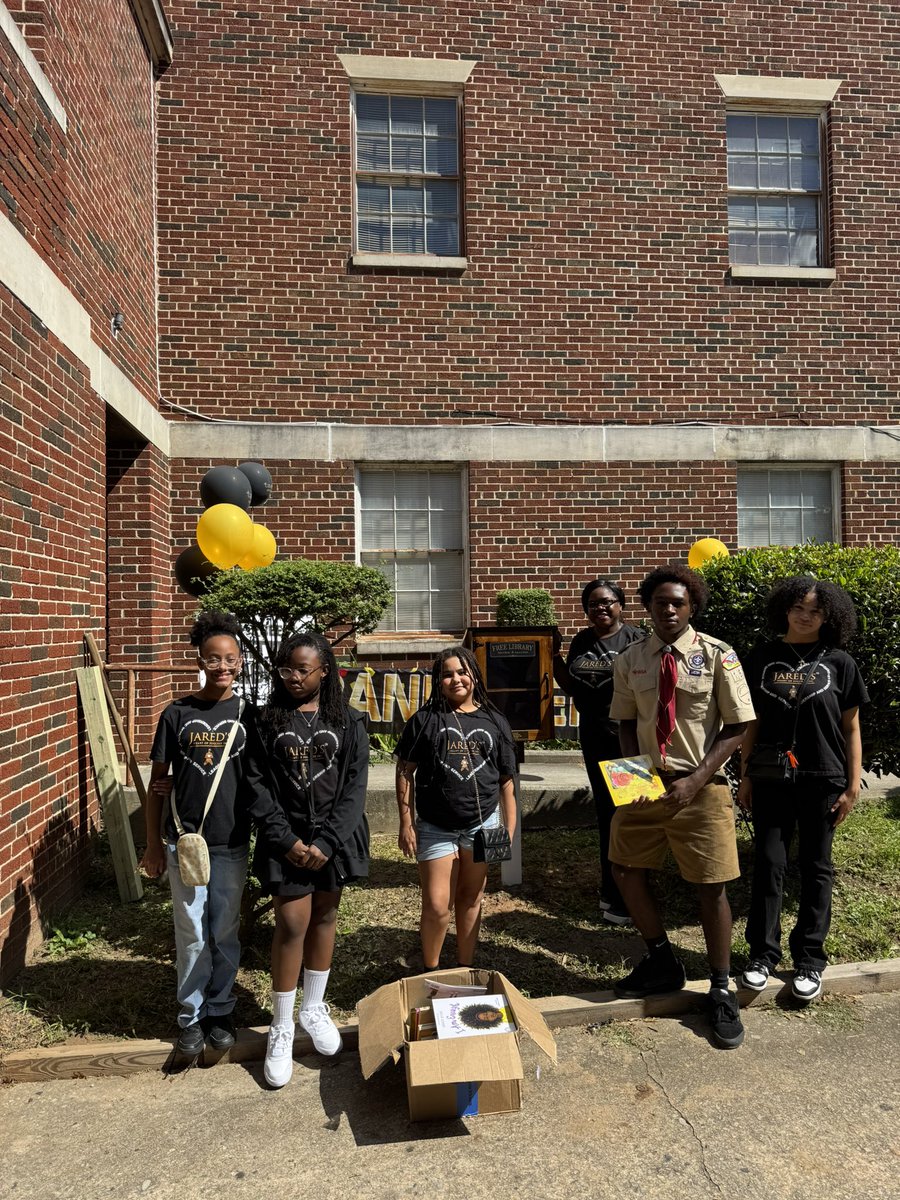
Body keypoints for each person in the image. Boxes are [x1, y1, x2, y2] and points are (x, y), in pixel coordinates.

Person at [608, 565, 755, 1049]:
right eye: (659, 603)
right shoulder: (630, 658)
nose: (668, 610)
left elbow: (737, 728)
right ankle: (661, 960)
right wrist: (634, 778)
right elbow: (626, 721)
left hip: (702, 786)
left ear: (691, 607)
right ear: (647, 608)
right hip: (645, 784)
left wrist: (696, 780)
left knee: (711, 887)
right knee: (626, 869)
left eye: (678, 603)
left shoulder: (718, 656)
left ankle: (719, 986)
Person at [143, 611, 298, 1057]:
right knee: (191, 933)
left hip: (231, 842)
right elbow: (158, 784)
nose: (224, 667)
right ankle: (190, 1018)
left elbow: (271, 775)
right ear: (200, 659)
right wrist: (154, 843)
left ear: (242, 662)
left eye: (232, 659)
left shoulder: (252, 716)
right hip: (184, 843)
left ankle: (220, 1009)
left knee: (225, 931)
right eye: (214, 658)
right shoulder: (177, 714)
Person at [738, 578, 868, 1002]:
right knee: (769, 863)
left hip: (823, 779)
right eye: (798, 607)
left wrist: (852, 784)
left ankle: (810, 960)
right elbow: (750, 720)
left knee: (816, 867)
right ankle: (761, 955)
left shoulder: (840, 662)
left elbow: (851, 727)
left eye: (814, 610)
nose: (805, 615)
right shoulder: (763, 656)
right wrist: (746, 773)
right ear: (785, 609)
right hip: (772, 777)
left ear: (828, 615)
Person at [251, 632, 369, 1088]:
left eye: (303, 669)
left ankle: (313, 1007)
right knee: (291, 923)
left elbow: (355, 787)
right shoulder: (266, 721)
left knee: (325, 916)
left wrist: (328, 842)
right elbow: (256, 785)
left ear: (326, 671)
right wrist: (285, 839)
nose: (294, 677)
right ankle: (281, 1026)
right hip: (287, 841)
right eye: (287, 669)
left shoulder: (349, 722)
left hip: (331, 844)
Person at [396, 646, 518, 972]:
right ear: (438, 680)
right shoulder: (424, 720)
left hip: (484, 824)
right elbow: (405, 770)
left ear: (475, 676)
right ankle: (431, 971)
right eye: (447, 673)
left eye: (462, 672)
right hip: (436, 826)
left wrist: (508, 830)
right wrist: (406, 822)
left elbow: (506, 781)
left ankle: (465, 967)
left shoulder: (495, 722)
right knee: (437, 905)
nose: (456, 679)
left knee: (471, 898)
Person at [554, 578, 647, 925]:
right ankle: (612, 892)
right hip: (594, 738)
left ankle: (637, 894)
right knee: (607, 815)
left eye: (607, 602)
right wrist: (552, 654)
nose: (601, 609)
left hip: (628, 740)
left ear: (621, 605)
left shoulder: (636, 639)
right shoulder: (582, 640)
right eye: (593, 604)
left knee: (634, 814)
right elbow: (572, 685)